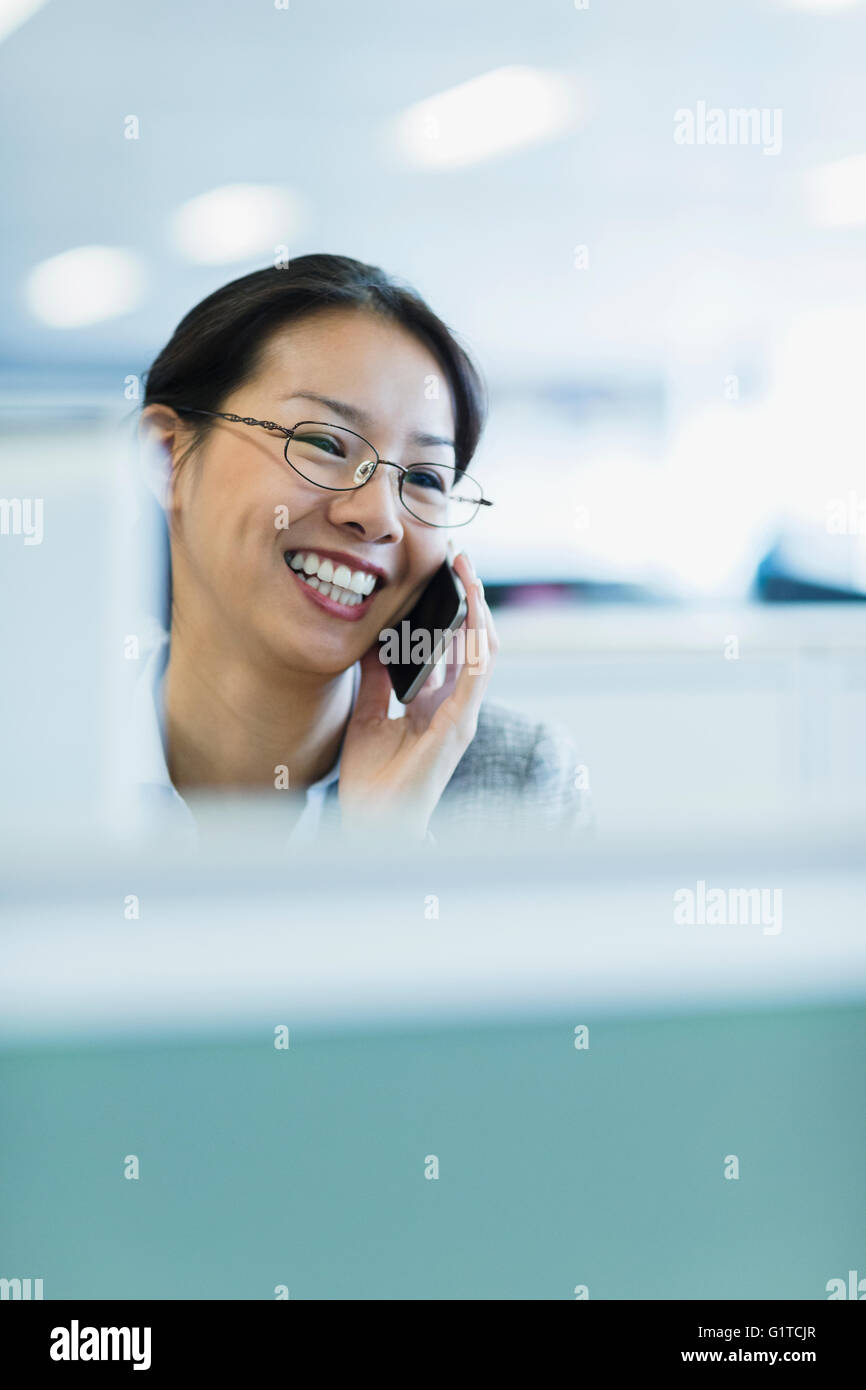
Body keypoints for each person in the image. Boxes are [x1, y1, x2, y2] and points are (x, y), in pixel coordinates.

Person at [134, 253, 587, 847]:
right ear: (168, 456)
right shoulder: (31, 754)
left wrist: (385, 849)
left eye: (424, 479)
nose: (378, 516)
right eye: (324, 442)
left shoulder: (514, 788)